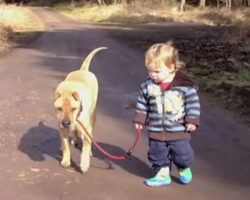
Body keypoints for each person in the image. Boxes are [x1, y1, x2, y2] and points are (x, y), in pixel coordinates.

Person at [133, 41, 201, 187]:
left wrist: (192, 120)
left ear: (171, 68)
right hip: (156, 129)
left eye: (157, 71)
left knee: (182, 154)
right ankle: (162, 174)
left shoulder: (183, 85)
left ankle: (183, 167)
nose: (153, 75)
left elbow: (193, 103)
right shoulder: (147, 85)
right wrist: (140, 119)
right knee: (157, 154)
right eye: (150, 71)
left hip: (178, 130)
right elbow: (142, 103)